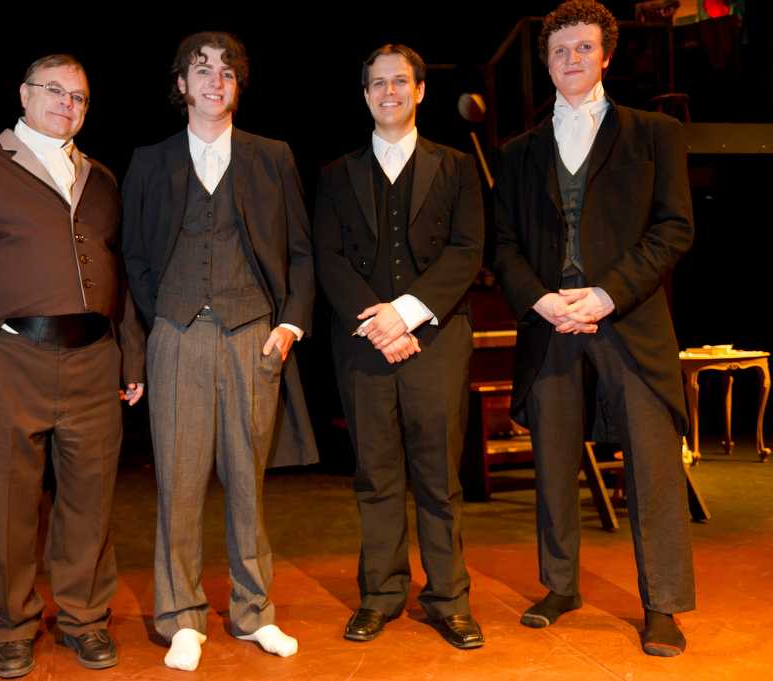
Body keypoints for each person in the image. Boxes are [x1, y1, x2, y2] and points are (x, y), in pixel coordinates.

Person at [0, 54, 144, 677]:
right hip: (9, 360)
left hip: (95, 361)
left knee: (89, 501)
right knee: (9, 502)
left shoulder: (100, 178)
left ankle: (84, 619)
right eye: (54, 91)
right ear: (24, 95)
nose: (67, 104)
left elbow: (120, 274)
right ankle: (15, 625)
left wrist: (131, 354)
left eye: (79, 96)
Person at [492, 0, 696, 656]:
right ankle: (560, 584)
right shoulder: (518, 150)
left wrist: (609, 293)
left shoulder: (652, 133)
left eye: (583, 48)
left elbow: (674, 227)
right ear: (546, 62)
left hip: (629, 320)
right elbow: (503, 245)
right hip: (551, 323)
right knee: (553, 458)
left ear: (606, 54)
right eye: (559, 51)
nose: (571, 60)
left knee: (652, 463)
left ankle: (662, 602)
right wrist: (542, 300)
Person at [121, 31, 317, 672]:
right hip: (176, 335)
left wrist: (289, 324)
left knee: (246, 483)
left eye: (227, 71)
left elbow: (298, 251)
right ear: (181, 85)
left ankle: (254, 611)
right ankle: (180, 617)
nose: (215, 79)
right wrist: (164, 320)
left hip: (251, 335)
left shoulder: (271, 156)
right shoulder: (150, 160)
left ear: (238, 86)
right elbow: (136, 257)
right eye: (201, 69)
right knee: (177, 485)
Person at [313, 44, 486, 649]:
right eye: (378, 83)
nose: (390, 92)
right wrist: (378, 325)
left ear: (420, 92)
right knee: (376, 475)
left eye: (401, 82)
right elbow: (328, 257)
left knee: (439, 477)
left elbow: (467, 251)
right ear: (365, 95)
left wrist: (406, 315)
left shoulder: (458, 167)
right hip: (364, 343)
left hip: (435, 339)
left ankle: (448, 599)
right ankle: (381, 595)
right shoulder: (336, 175)